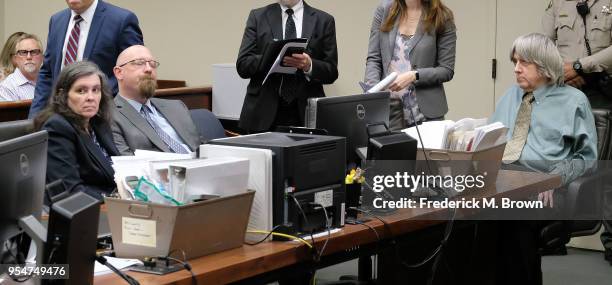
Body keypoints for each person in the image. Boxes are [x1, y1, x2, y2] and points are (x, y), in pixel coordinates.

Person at [490, 33, 597, 285]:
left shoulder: (573, 101)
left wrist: (554, 177)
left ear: (545, 65)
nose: (516, 69)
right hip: (504, 177)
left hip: (545, 184)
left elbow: (587, 158)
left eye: (524, 63)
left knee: (511, 218)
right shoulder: (510, 96)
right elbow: (490, 139)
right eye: (514, 61)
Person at [542, 0, 612, 263]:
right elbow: (543, 44)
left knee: (607, 171)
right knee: (560, 162)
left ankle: (611, 244)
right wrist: (565, 70)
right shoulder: (557, 3)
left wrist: (583, 65)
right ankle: (556, 235)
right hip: (566, 91)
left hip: (605, 93)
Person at [236, 0, 338, 133]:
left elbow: (331, 72)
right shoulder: (258, 17)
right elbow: (243, 65)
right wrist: (271, 55)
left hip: (305, 113)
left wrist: (309, 65)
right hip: (262, 113)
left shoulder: (324, 20)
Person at [29, 0, 144, 117]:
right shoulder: (57, 20)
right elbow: (48, 72)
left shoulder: (121, 20)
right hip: (59, 117)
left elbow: (134, 70)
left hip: (103, 116)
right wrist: (34, 118)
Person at [365, 0, 456, 131]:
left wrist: (415, 75)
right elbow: (374, 58)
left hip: (426, 115)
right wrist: (373, 94)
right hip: (388, 112)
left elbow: (446, 69)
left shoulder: (442, 16)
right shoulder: (384, 10)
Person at [33, 61, 118, 201]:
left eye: (95, 90)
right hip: (83, 210)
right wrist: (114, 199)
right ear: (63, 95)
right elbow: (69, 189)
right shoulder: (57, 127)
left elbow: (116, 167)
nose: (90, 97)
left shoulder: (98, 122)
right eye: (81, 91)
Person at [111, 45, 201, 155]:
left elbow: (201, 147)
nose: (149, 69)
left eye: (153, 64)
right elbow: (127, 162)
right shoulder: (109, 116)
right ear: (119, 72)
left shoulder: (177, 107)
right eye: (140, 63)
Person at [542, 0, 612, 109]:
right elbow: (543, 46)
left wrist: (578, 67)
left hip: (602, 89)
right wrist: (560, 72)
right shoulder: (557, 3)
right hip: (564, 87)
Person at [0, 33, 43, 101]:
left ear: (42, 57)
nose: (29, 57)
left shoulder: (51, 80)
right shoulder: (6, 87)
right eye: (23, 52)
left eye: (34, 52)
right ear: (15, 58)